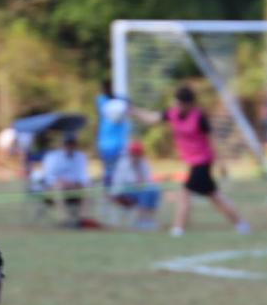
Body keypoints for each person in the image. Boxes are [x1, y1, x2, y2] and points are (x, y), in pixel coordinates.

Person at [160, 85, 249, 238]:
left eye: (181, 103)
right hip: (196, 163)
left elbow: (212, 140)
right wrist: (132, 111)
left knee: (185, 192)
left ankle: (178, 229)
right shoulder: (173, 114)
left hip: (202, 162)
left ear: (189, 104)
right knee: (215, 197)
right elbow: (152, 117)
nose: (178, 106)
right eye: (177, 102)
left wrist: (221, 162)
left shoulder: (199, 117)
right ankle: (241, 224)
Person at [37, 131, 90, 224]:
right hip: (54, 188)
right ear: (63, 144)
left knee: (88, 189)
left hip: (74, 188)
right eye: (67, 144)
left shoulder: (81, 157)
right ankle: (64, 219)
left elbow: (83, 176)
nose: (70, 146)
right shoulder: (52, 157)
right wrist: (62, 182)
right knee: (58, 187)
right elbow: (48, 176)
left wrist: (75, 183)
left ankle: (83, 219)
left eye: (72, 143)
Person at [107, 140, 162, 229]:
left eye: (138, 154)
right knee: (145, 192)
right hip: (122, 192)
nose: (136, 156)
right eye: (134, 154)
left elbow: (147, 180)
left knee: (154, 190)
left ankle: (150, 219)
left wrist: (142, 181)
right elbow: (124, 183)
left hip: (139, 189)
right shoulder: (123, 164)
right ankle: (141, 220)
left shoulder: (143, 163)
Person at [95, 88, 130, 191]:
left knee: (116, 170)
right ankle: (109, 191)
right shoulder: (105, 103)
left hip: (115, 145)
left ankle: (114, 191)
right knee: (109, 170)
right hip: (108, 146)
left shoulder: (117, 104)